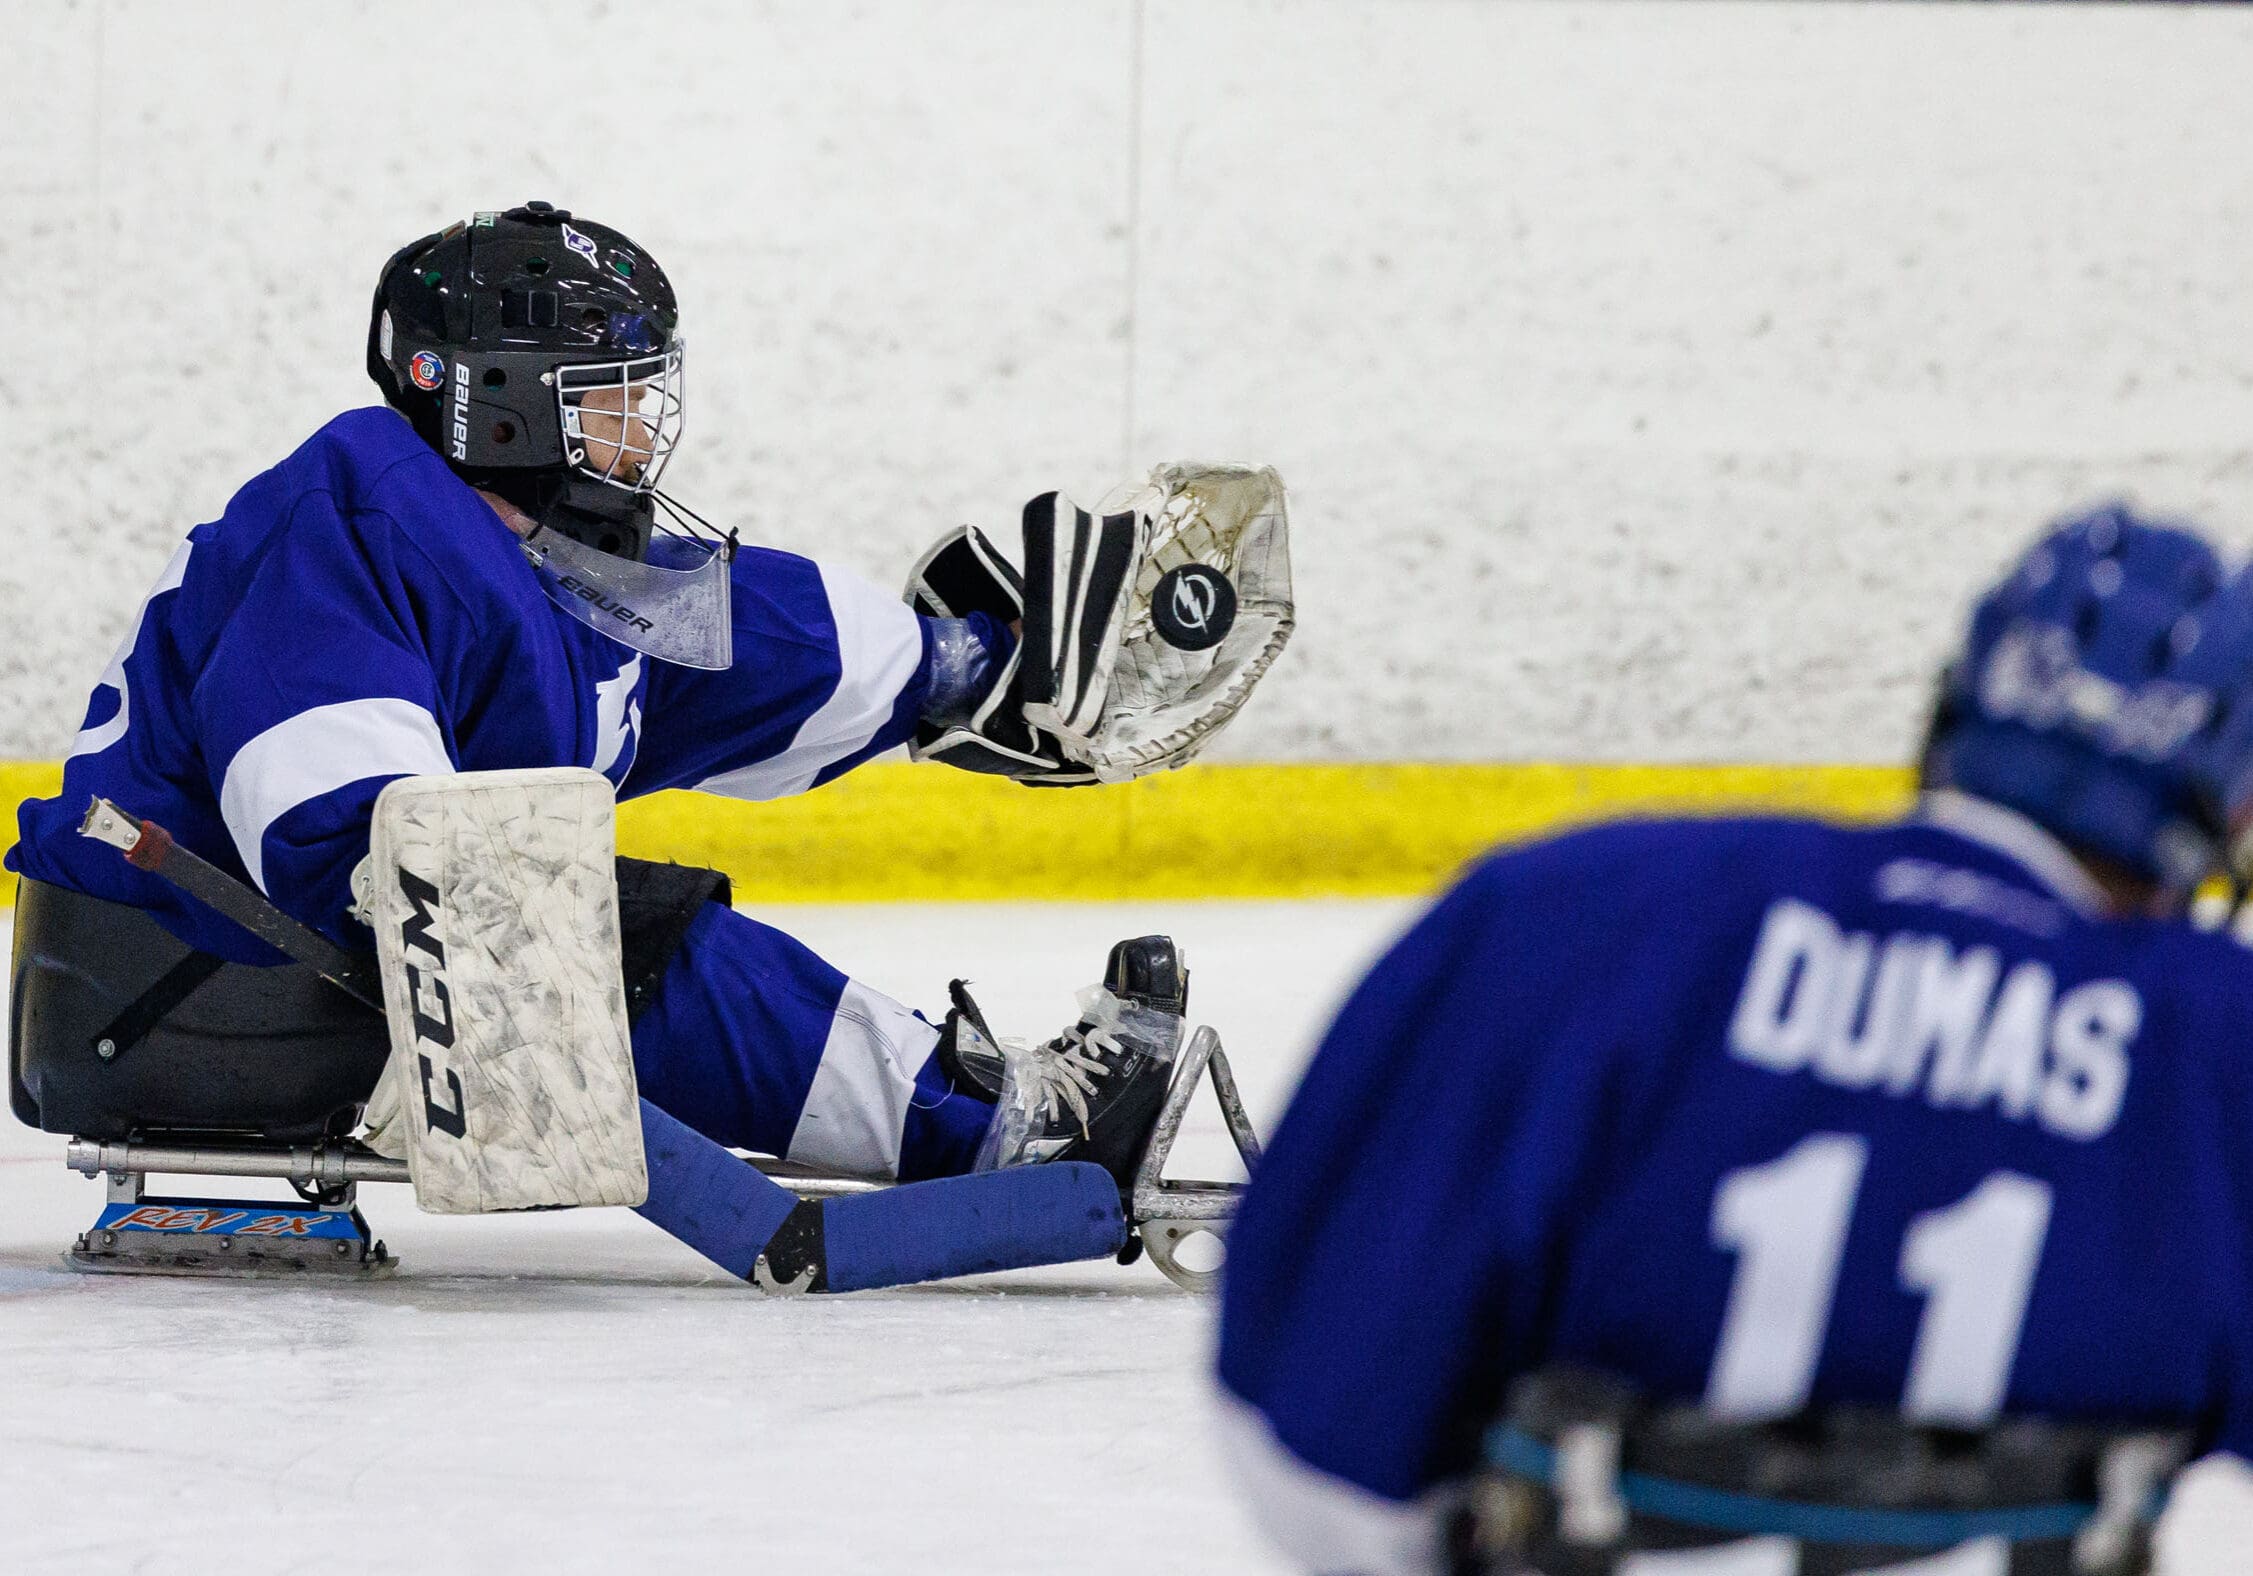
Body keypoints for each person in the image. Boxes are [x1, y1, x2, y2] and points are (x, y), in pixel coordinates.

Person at [7, 201, 1206, 1195]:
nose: (642, 432)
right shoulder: (363, 516)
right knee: (614, 941)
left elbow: (715, 648)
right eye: (611, 396)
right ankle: (1003, 1131)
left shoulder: (508, 554)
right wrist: (532, 933)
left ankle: (972, 1095)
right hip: (179, 968)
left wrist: (966, 666)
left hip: (254, 951)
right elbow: (344, 822)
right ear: (511, 399)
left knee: (583, 854)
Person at [1215, 505, 2253, 1575]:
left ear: (1951, 710)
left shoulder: (1583, 915)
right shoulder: (2217, 1044)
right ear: (2224, 811)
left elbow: (1304, 1442)